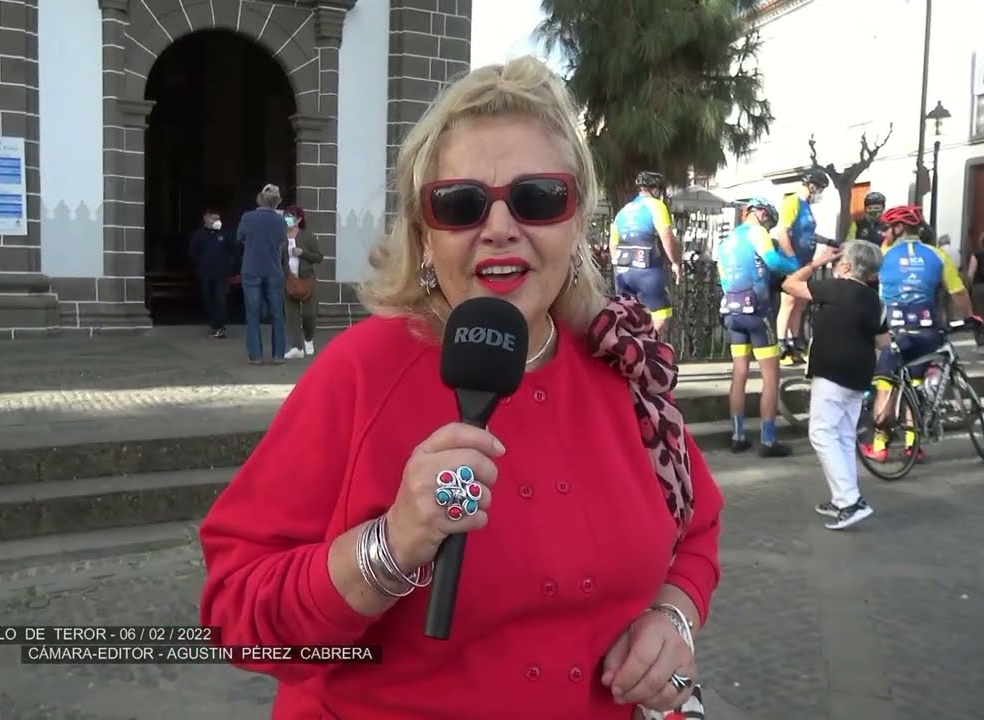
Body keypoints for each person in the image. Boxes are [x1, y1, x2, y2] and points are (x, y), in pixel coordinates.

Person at [198, 56, 724, 720]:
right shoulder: (361, 371)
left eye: (538, 197)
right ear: (423, 238)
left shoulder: (621, 368)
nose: (500, 226)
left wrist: (673, 620)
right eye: (460, 204)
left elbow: (697, 527)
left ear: (578, 221)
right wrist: (385, 550)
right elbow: (236, 615)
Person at [781, 241, 889, 530]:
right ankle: (843, 498)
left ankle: (851, 501)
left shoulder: (834, 288)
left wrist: (815, 264)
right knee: (842, 435)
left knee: (821, 433)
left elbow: (790, 285)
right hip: (860, 372)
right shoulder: (877, 301)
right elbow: (883, 341)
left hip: (832, 369)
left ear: (845, 266)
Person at [863, 205, 975, 463]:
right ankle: (913, 446)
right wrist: (970, 317)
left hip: (895, 333)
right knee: (915, 384)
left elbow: (866, 281)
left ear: (899, 227)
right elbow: (957, 292)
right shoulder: (937, 255)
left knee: (886, 386)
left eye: (888, 227)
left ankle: (880, 446)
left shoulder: (884, 255)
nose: (885, 232)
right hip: (928, 334)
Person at [717, 198, 799, 457]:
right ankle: (768, 440)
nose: (769, 225)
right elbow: (772, 261)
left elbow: (723, 278)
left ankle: (738, 436)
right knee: (771, 376)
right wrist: (795, 266)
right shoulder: (757, 232)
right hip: (758, 312)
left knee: (739, 373)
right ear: (762, 214)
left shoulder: (726, 241)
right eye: (770, 220)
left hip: (732, 310)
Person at [610, 170, 682, 336]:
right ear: (655, 189)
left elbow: (613, 245)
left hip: (622, 271)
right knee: (662, 314)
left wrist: (622, 267)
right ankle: (651, 351)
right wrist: (675, 263)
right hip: (647, 269)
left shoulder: (623, 211)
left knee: (630, 317)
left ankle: (633, 354)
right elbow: (666, 236)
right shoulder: (656, 206)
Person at [773, 167, 831, 366]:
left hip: (806, 262)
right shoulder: (792, 202)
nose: (820, 193)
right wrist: (791, 259)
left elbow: (807, 234)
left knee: (800, 304)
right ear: (812, 185)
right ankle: (782, 345)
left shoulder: (807, 206)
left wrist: (828, 241)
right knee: (788, 302)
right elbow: (782, 231)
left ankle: (795, 342)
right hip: (793, 262)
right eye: (821, 189)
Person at [237, 183, 289, 364]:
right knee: (277, 314)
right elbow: (283, 243)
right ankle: (279, 354)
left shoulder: (248, 217)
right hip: (274, 270)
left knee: (253, 314)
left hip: (251, 269)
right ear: (276, 202)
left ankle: (255, 355)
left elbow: (240, 237)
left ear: (260, 198)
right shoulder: (280, 221)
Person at [282, 205, 325, 359]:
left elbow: (319, 257)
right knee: (291, 314)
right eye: (286, 215)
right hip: (288, 280)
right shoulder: (282, 236)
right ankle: (296, 347)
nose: (287, 219)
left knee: (309, 314)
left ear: (299, 219)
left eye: (291, 216)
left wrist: (303, 253)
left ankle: (308, 339)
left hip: (307, 280)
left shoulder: (308, 236)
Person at [188, 208, 233, 338]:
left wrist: (228, 266)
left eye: (218, 218)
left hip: (221, 274)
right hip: (205, 273)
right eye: (214, 218)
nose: (217, 221)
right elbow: (193, 252)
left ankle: (220, 326)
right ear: (206, 219)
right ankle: (213, 324)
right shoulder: (199, 234)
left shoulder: (225, 234)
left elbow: (232, 250)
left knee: (220, 299)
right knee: (207, 299)